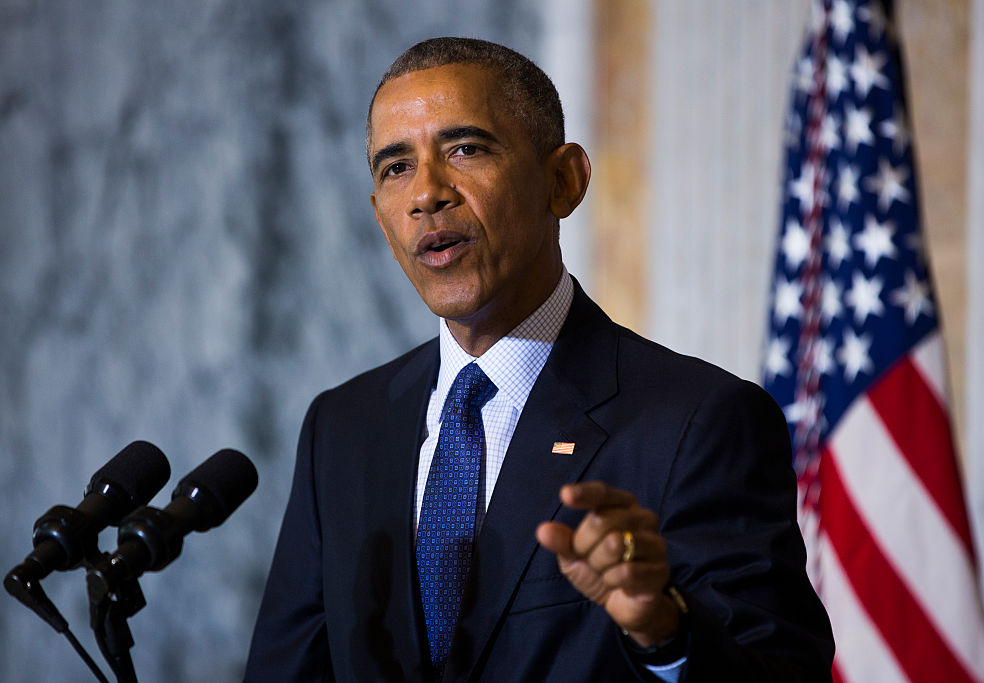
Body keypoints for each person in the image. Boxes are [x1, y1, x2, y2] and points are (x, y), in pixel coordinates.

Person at [244, 37, 833, 682]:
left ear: (564, 181)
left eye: (465, 150)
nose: (427, 194)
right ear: (381, 218)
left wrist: (664, 630)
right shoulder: (343, 426)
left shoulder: (699, 422)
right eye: (395, 168)